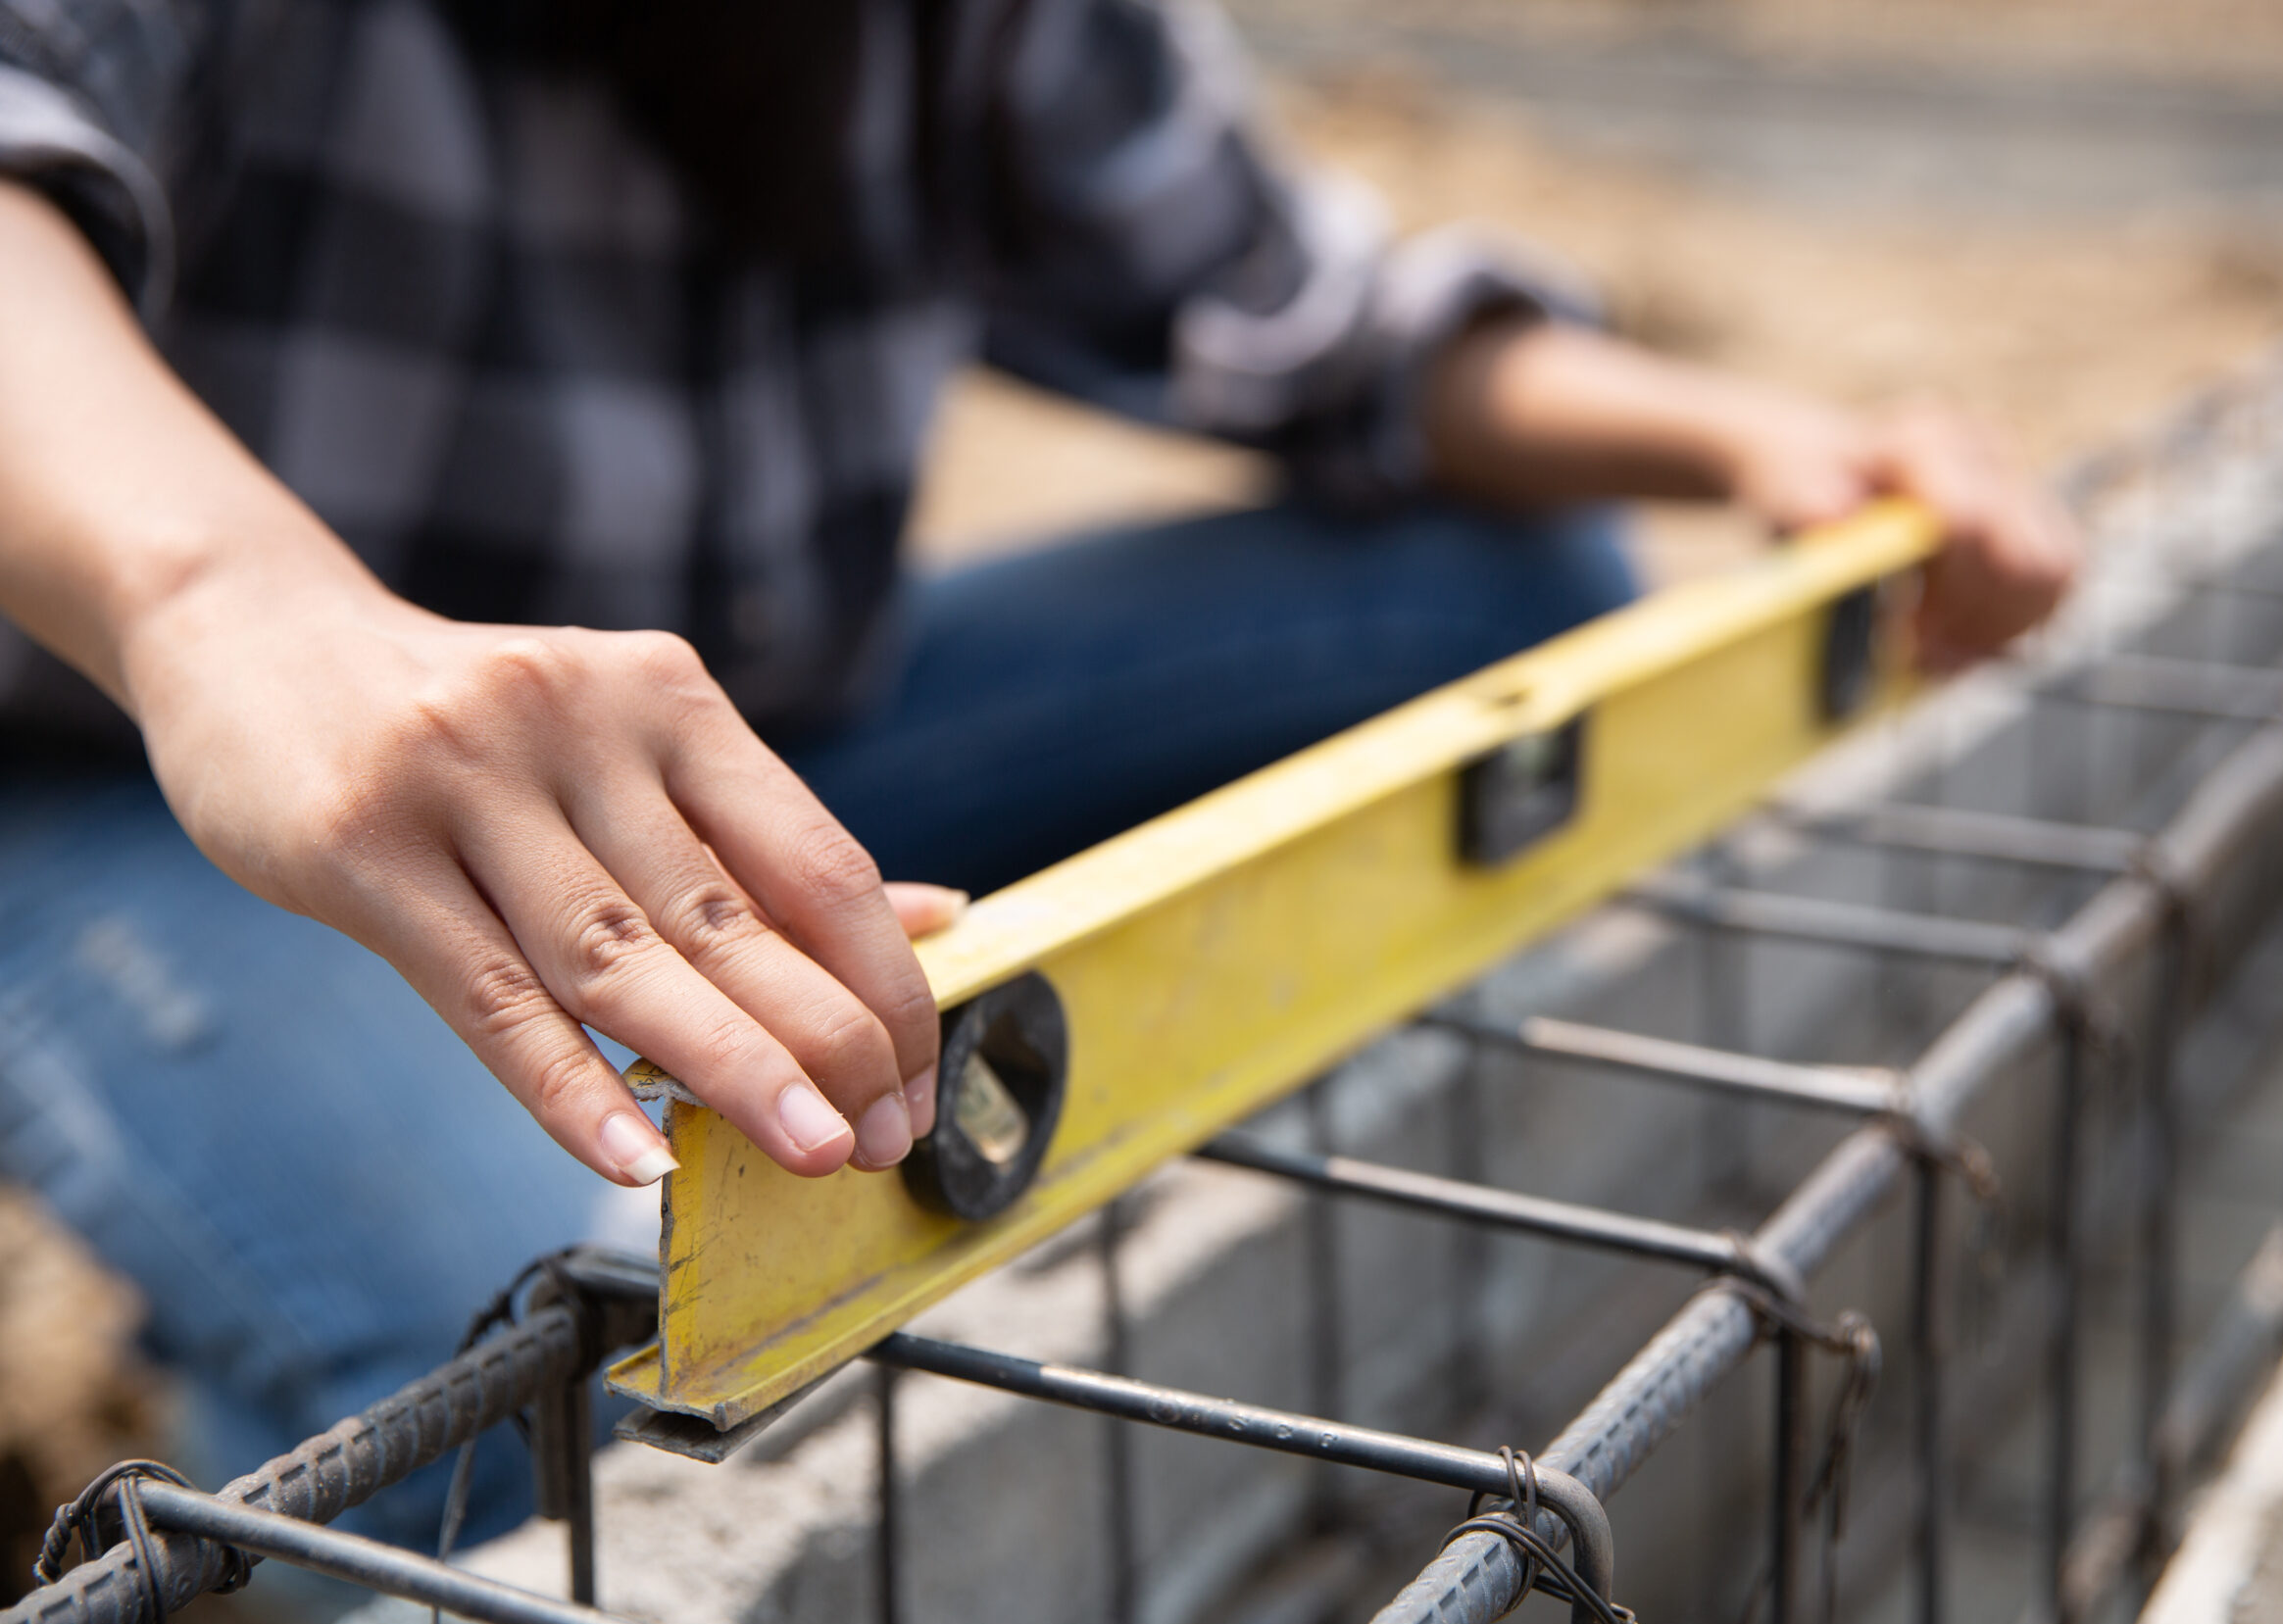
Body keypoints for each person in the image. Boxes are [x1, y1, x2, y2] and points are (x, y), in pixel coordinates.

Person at [0, 0, 2077, 1544]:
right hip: (124, 786)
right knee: (573, 1369)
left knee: (1502, 582)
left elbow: (1309, 315)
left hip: (748, 738)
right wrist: (221, 603)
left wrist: (1754, 442)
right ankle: (308, 1403)